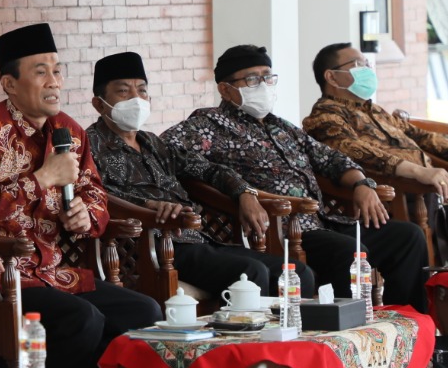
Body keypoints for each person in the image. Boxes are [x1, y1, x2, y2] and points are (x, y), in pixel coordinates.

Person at [0, 24, 161, 368]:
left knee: (145, 312)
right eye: (41, 72)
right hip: (0, 277)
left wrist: (85, 215)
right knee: (83, 319)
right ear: (10, 84)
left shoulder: (69, 132)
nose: (54, 82)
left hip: (56, 272)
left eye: (58, 71)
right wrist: (42, 179)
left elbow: (95, 192)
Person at [163, 45, 429, 310]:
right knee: (348, 250)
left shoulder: (280, 126)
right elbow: (167, 150)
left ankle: (405, 321)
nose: (263, 85)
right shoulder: (209, 124)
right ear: (225, 89)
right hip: (280, 227)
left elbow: (330, 158)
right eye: (252, 79)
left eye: (268, 77)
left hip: (322, 220)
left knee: (407, 236)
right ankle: (345, 329)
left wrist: (361, 183)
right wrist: (240, 189)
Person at [86, 51, 316, 299]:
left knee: (296, 272)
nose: (136, 99)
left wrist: (245, 192)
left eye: (142, 91)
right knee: (250, 273)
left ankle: (287, 325)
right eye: (123, 91)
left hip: (197, 238)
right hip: (150, 245)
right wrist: (148, 205)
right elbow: (95, 194)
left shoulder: (153, 143)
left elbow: (210, 169)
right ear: (99, 104)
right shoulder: (89, 147)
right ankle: (245, 326)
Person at [304, 42, 448, 257]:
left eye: (368, 64)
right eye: (359, 65)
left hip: (438, 201)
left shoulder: (375, 111)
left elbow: (422, 136)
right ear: (332, 77)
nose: (368, 70)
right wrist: (418, 171)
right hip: (404, 204)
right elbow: (354, 150)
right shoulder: (324, 118)